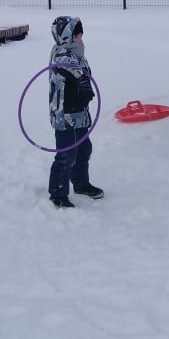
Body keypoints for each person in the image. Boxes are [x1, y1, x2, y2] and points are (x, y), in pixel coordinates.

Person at [48, 15, 103, 209]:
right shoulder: (61, 54)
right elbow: (66, 67)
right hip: (65, 115)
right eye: (77, 35)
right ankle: (58, 192)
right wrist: (80, 80)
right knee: (66, 154)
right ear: (67, 37)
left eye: (80, 35)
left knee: (83, 149)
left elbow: (83, 71)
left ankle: (81, 183)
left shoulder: (79, 54)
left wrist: (85, 86)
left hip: (80, 114)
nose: (81, 38)